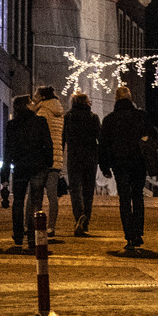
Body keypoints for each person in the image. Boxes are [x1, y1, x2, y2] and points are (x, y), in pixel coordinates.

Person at [98, 84, 155, 251]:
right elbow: (153, 137)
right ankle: (137, 232)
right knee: (137, 196)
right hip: (138, 162)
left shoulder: (110, 119)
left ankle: (129, 234)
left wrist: (104, 167)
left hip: (119, 163)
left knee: (124, 198)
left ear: (116, 100)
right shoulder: (141, 116)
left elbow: (103, 146)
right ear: (130, 99)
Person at [0, 94, 53, 248]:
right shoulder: (40, 122)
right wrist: (48, 163)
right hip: (38, 166)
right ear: (27, 105)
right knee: (36, 201)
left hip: (20, 167)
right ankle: (31, 235)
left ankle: (17, 235)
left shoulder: (12, 125)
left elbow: (7, 152)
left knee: (18, 201)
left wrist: (4, 177)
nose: (33, 103)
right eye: (31, 102)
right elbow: (48, 144)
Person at [62, 91, 101, 236]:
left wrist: (59, 157)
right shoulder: (93, 117)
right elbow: (100, 139)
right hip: (90, 158)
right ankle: (85, 222)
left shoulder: (68, 117)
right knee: (88, 191)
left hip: (74, 157)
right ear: (87, 103)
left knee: (75, 189)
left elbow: (62, 139)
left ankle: (79, 216)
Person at [30, 85, 65, 236]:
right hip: (56, 158)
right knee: (52, 196)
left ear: (43, 97)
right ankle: (51, 227)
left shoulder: (43, 111)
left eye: (36, 96)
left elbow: (38, 134)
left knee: (36, 195)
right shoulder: (60, 112)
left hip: (43, 157)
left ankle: (33, 225)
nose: (34, 98)